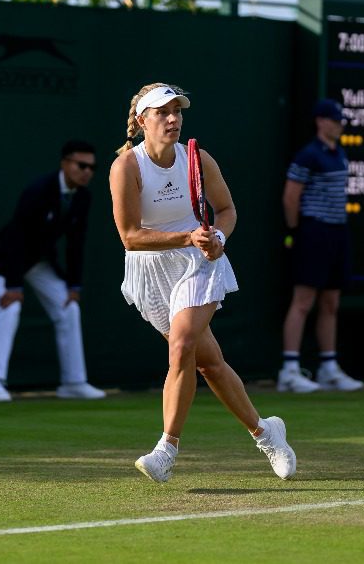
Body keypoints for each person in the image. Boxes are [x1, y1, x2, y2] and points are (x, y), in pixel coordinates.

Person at [110, 81, 296, 483]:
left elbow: (226, 209)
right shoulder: (126, 167)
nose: (173, 118)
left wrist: (218, 239)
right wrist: (185, 236)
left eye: (177, 111)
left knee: (182, 346)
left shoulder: (198, 159)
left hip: (199, 261)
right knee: (209, 363)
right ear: (143, 120)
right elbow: (129, 234)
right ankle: (266, 433)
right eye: (163, 112)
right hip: (151, 268)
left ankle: (166, 450)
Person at [0, 139, 106, 403]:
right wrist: (13, 286)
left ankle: (74, 382)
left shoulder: (83, 196)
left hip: (39, 262)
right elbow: (17, 237)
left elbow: (76, 243)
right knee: (9, 308)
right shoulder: (38, 190)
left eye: (91, 168)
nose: (87, 172)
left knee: (69, 307)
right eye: (81, 165)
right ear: (65, 163)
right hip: (6, 259)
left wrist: (74, 286)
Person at [277, 98, 364, 393]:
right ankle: (289, 370)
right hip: (312, 231)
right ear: (321, 121)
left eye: (341, 121)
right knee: (303, 301)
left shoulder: (339, 153)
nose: (339, 126)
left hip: (338, 233)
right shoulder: (307, 155)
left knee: (331, 302)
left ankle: (328, 367)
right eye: (335, 120)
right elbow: (291, 197)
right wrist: (294, 230)